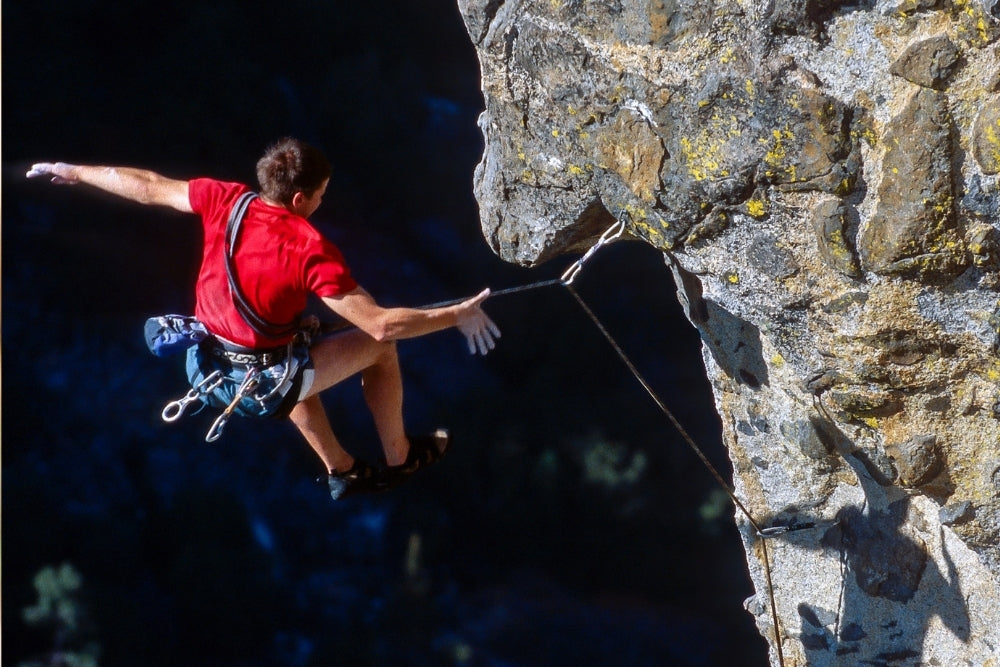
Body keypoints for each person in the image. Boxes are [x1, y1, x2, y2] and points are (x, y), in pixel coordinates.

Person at [27, 137, 501, 499]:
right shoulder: (309, 248)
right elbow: (380, 324)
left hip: (204, 364)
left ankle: (342, 470)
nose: (321, 203)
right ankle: (399, 458)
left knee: (297, 348)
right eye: (320, 194)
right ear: (299, 200)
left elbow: (148, 187)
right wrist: (456, 316)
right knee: (379, 349)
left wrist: (76, 171)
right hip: (254, 383)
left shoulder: (226, 200)